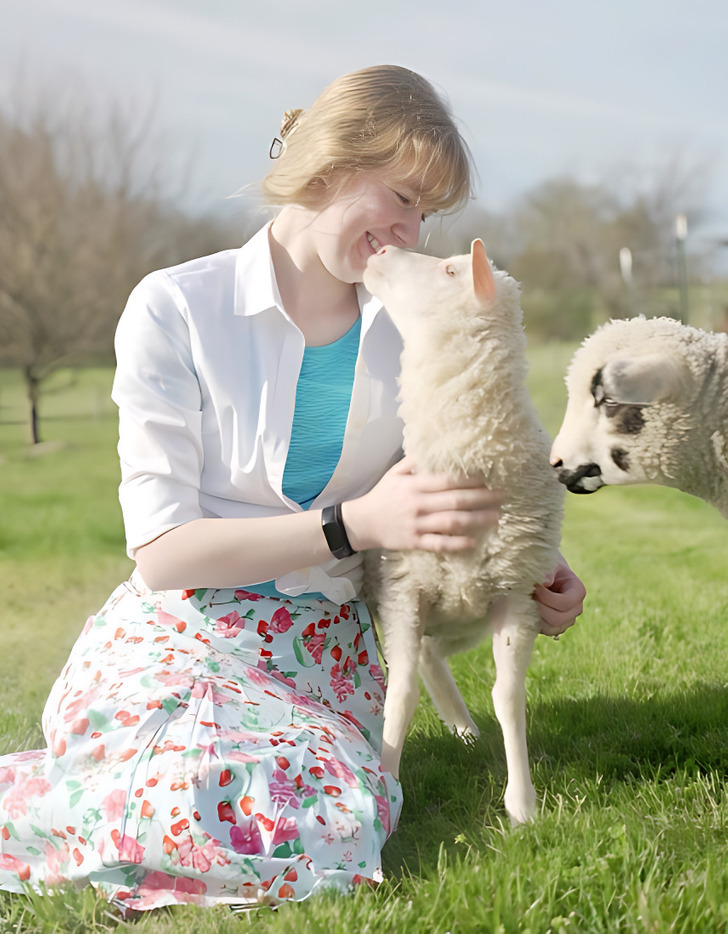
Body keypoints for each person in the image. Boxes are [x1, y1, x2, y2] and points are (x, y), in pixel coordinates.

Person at [0, 64, 585, 913]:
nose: (412, 230)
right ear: (329, 165)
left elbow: (462, 465)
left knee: (327, 823)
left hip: (321, 648)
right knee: (177, 786)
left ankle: (143, 831)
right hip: (180, 627)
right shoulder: (175, 308)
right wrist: (354, 524)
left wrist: (543, 565)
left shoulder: (408, 328)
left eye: (426, 211)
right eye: (403, 196)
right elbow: (165, 556)